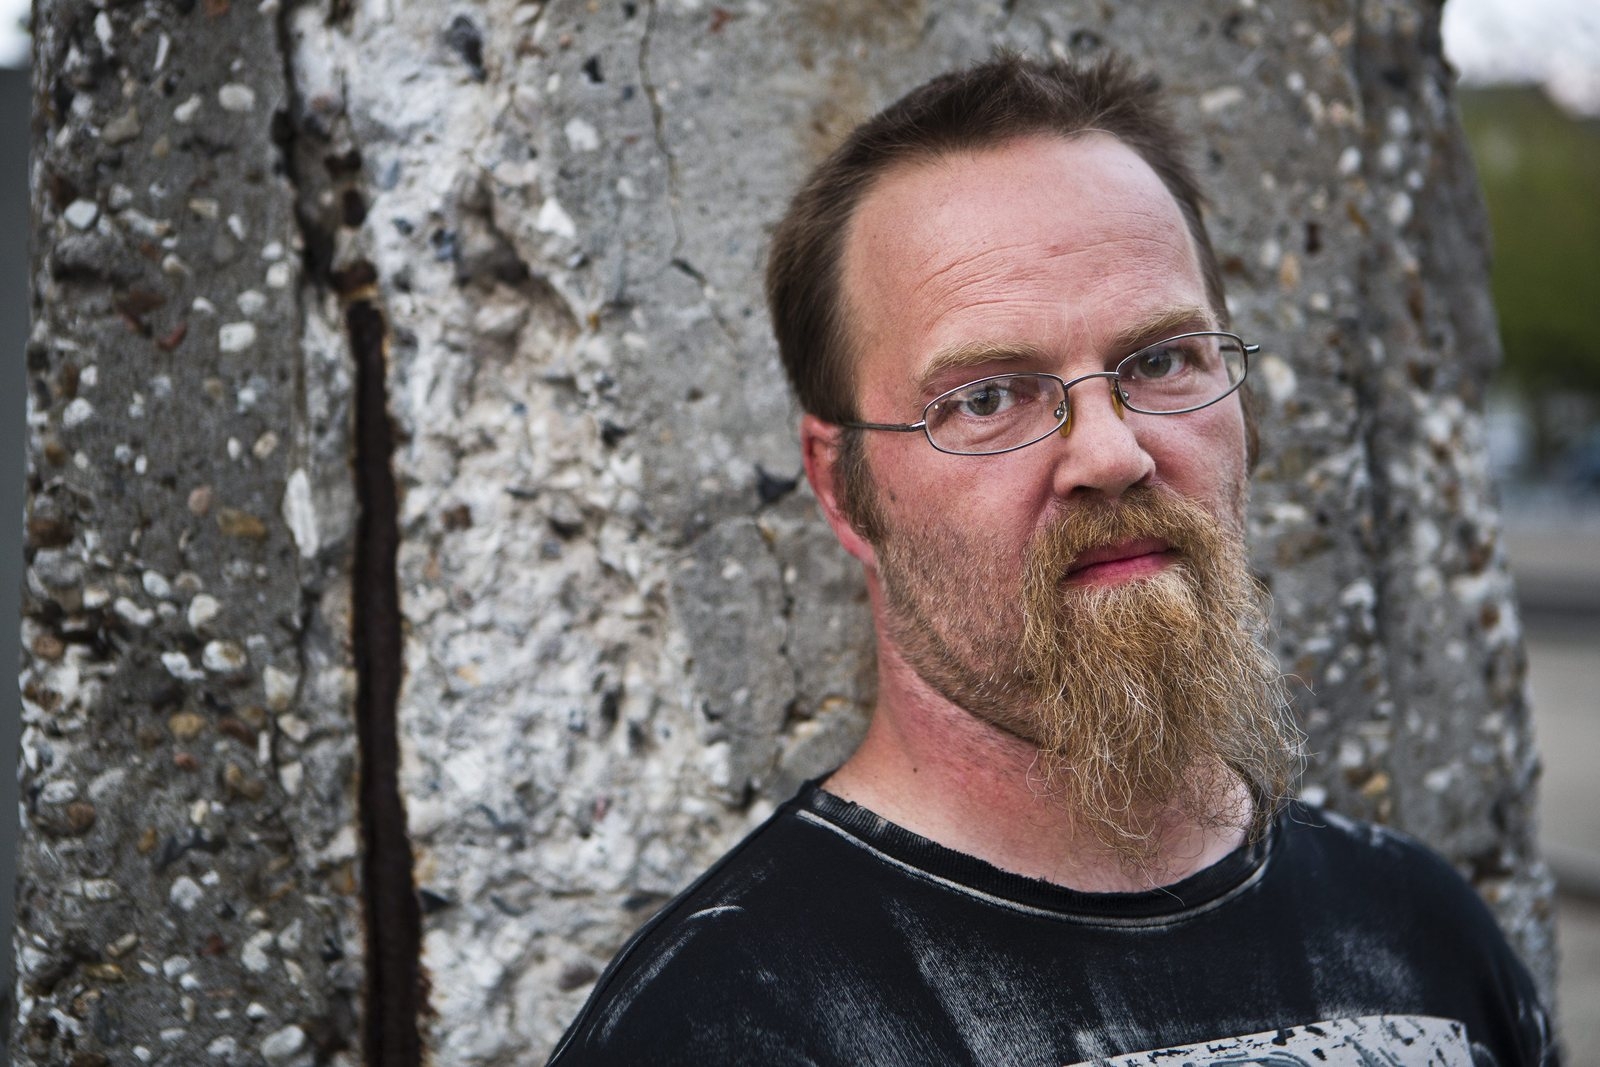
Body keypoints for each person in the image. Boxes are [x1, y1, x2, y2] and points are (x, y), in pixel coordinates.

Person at [548, 52, 1554, 1066]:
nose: (1111, 454)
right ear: (841, 486)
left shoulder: (1427, 942)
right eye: (986, 397)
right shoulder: (722, 1026)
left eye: (1160, 360)